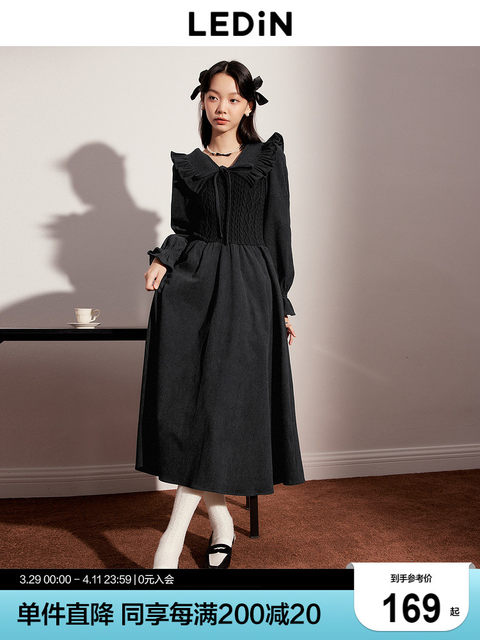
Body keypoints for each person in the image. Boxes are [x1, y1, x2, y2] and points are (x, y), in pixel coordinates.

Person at [135, 60, 305, 569]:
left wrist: (282, 303)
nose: (221, 108)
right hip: (193, 292)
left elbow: (278, 233)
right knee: (197, 408)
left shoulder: (267, 159)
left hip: (250, 291)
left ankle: (171, 539)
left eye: (232, 99)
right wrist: (164, 258)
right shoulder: (189, 165)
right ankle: (222, 521)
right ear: (202, 101)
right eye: (213, 97)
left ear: (248, 105)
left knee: (223, 407)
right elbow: (184, 229)